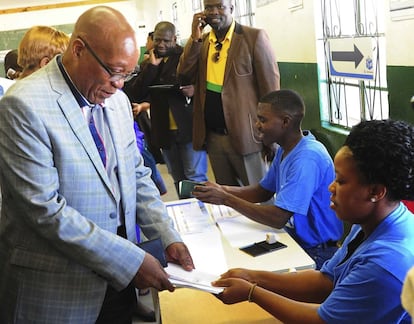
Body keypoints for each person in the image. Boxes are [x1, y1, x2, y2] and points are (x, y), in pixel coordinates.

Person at [0, 6, 194, 324]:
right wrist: (130, 261)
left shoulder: (115, 101)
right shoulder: (24, 105)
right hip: (55, 289)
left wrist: (166, 234)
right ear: (78, 49)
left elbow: (135, 174)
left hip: (116, 285)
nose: (120, 85)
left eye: (127, 75)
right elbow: (44, 211)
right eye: (114, 72)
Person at [211, 119, 414, 323]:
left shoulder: (385, 264)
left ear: (376, 192)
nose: (331, 187)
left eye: (341, 181)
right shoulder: (374, 221)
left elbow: (321, 321)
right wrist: (254, 277)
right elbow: (325, 282)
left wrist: (252, 293)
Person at [194, 90, 343, 269]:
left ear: (285, 122)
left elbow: (278, 217)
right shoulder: (285, 148)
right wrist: (220, 190)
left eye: (263, 120)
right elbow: (262, 192)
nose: (257, 125)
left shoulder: (307, 158)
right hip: (293, 238)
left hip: (316, 252)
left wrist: (225, 199)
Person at [177, 0, 280, 186]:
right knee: (227, 200)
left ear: (231, 8)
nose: (214, 12)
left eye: (220, 6)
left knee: (258, 198)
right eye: (208, 7)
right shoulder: (204, 41)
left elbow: (271, 91)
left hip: (248, 136)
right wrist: (195, 39)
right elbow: (184, 75)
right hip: (214, 137)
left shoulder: (253, 38)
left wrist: (272, 136)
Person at [126, 21, 208, 196]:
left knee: (195, 177)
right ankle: (188, 213)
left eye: (165, 41)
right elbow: (136, 93)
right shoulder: (151, 60)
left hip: (188, 128)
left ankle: (203, 215)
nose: (161, 45)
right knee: (178, 177)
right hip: (164, 130)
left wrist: (194, 89)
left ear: (174, 39)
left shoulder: (186, 56)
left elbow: (203, 82)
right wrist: (151, 68)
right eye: (157, 40)